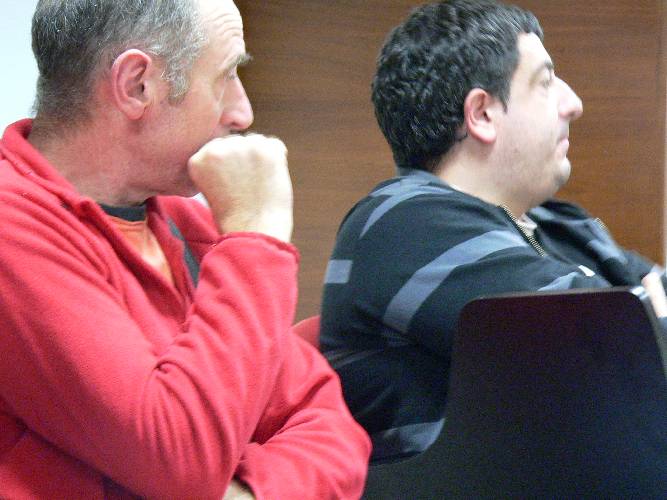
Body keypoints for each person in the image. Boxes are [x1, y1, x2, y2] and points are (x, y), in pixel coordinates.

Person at [0, 0, 370, 498]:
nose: (243, 112)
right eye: (226, 76)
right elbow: (179, 455)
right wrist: (255, 234)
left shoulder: (186, 223)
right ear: (137, 85)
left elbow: (330, 429)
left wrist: (249, 492)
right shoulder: (13, 226)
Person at [320, 0, 667, 465]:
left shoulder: (559, 224)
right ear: (482, 114)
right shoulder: (402, 226)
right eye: (545, 82)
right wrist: (645, 316)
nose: (573, 103)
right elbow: (615, 344)